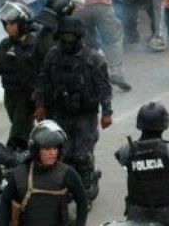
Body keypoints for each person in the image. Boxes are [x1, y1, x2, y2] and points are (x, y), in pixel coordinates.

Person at [34, 16, 113, 201]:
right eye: (64, 36)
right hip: (60, 113)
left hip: (85, 115)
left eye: (70, 36)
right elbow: (43, 80)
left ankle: (86, 186)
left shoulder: (92, 58)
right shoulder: (53, 55)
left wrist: (107, 112)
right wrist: (40, 104)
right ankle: (65, 186)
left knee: (82, 156)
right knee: (63, 154)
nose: (66, 40)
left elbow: (104, 87)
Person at [115, 103, 169, 226]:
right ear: (164, 123)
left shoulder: (127, 150)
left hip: (137, 214)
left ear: (139, 123)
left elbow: (120, 158)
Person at [0, 120, 89, 226]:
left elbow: (82, 202)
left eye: (55, 148)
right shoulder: (20, 174)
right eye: (47, 149)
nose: (52, 153)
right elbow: (5, 202)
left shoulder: (67, 173)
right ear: (36, 150)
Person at [0, 2, 39, 150]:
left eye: (13, 23)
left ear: (22, 24)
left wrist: (40, 93)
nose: (8, 27)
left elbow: (44, 72)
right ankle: (29, 149)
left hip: (27, 96)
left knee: (18, 131)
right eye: (6, 23)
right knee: (20, 127)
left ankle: (13, 155)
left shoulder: (35, 44)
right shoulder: (5, 45)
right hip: (10, 94)